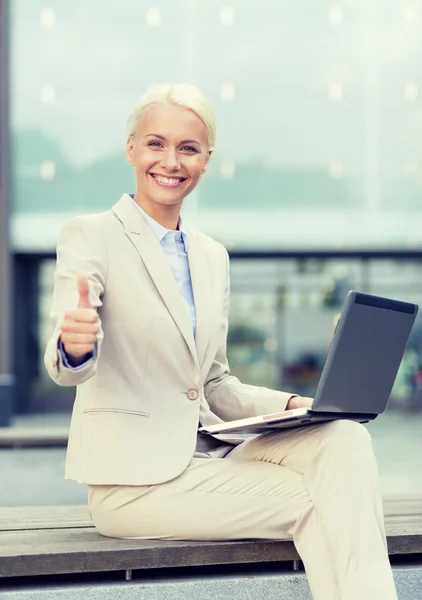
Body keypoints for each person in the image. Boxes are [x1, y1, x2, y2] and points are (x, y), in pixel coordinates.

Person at [44, 84, 398, 600]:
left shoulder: (212, 258)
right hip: (133, 485)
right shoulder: (91, 235)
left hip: (209, 462)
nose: (171, 161)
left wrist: (302, 406)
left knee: (345, 439)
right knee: (324, 499)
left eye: (188, 148)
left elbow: (213, 382)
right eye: (156, 144)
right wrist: (75, 345)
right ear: (131, 149)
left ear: (207, 159)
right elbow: (67, 361)